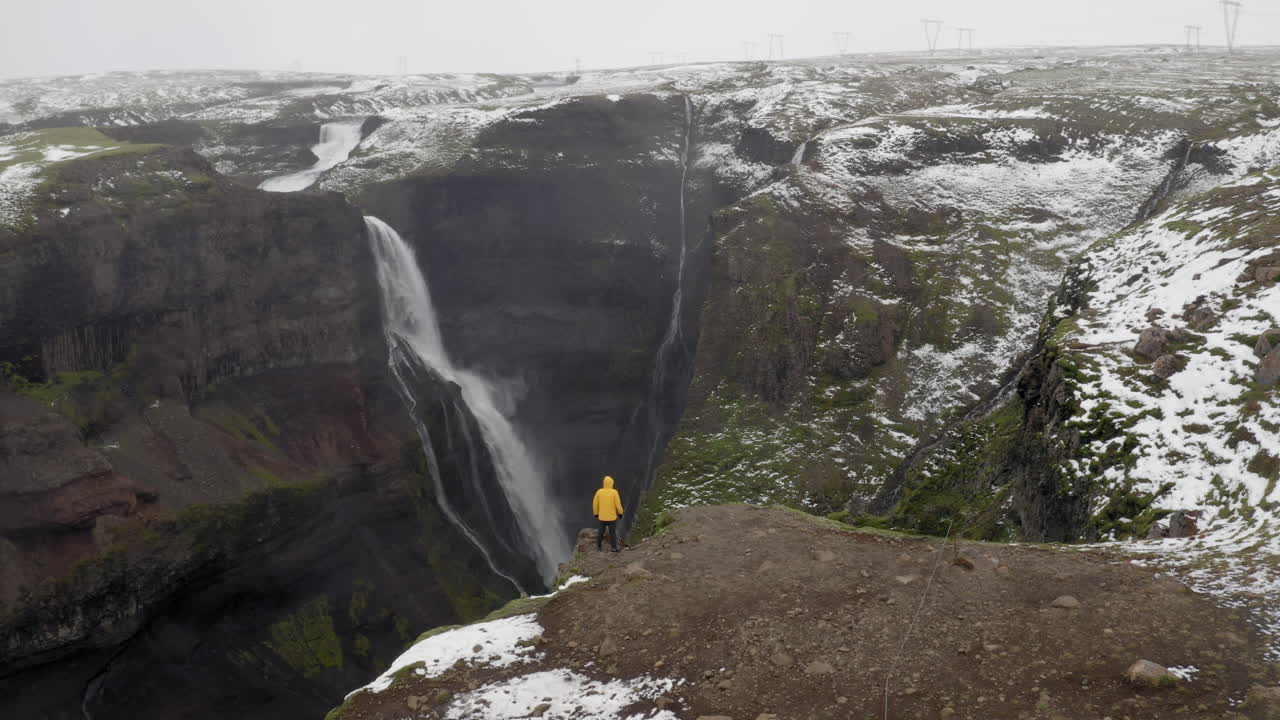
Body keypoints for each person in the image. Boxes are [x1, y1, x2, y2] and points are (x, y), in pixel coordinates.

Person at [592, 475, 624, 552]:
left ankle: (598, 547)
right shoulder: (614, 492)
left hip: (602, 517)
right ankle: (614, 548)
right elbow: (618, 505)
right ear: (611, 483)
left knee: (601, 532)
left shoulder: (599, 492)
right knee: (612, 533)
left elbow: (595, 504)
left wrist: (596, 513)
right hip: (612, 518)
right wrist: (620, 513)